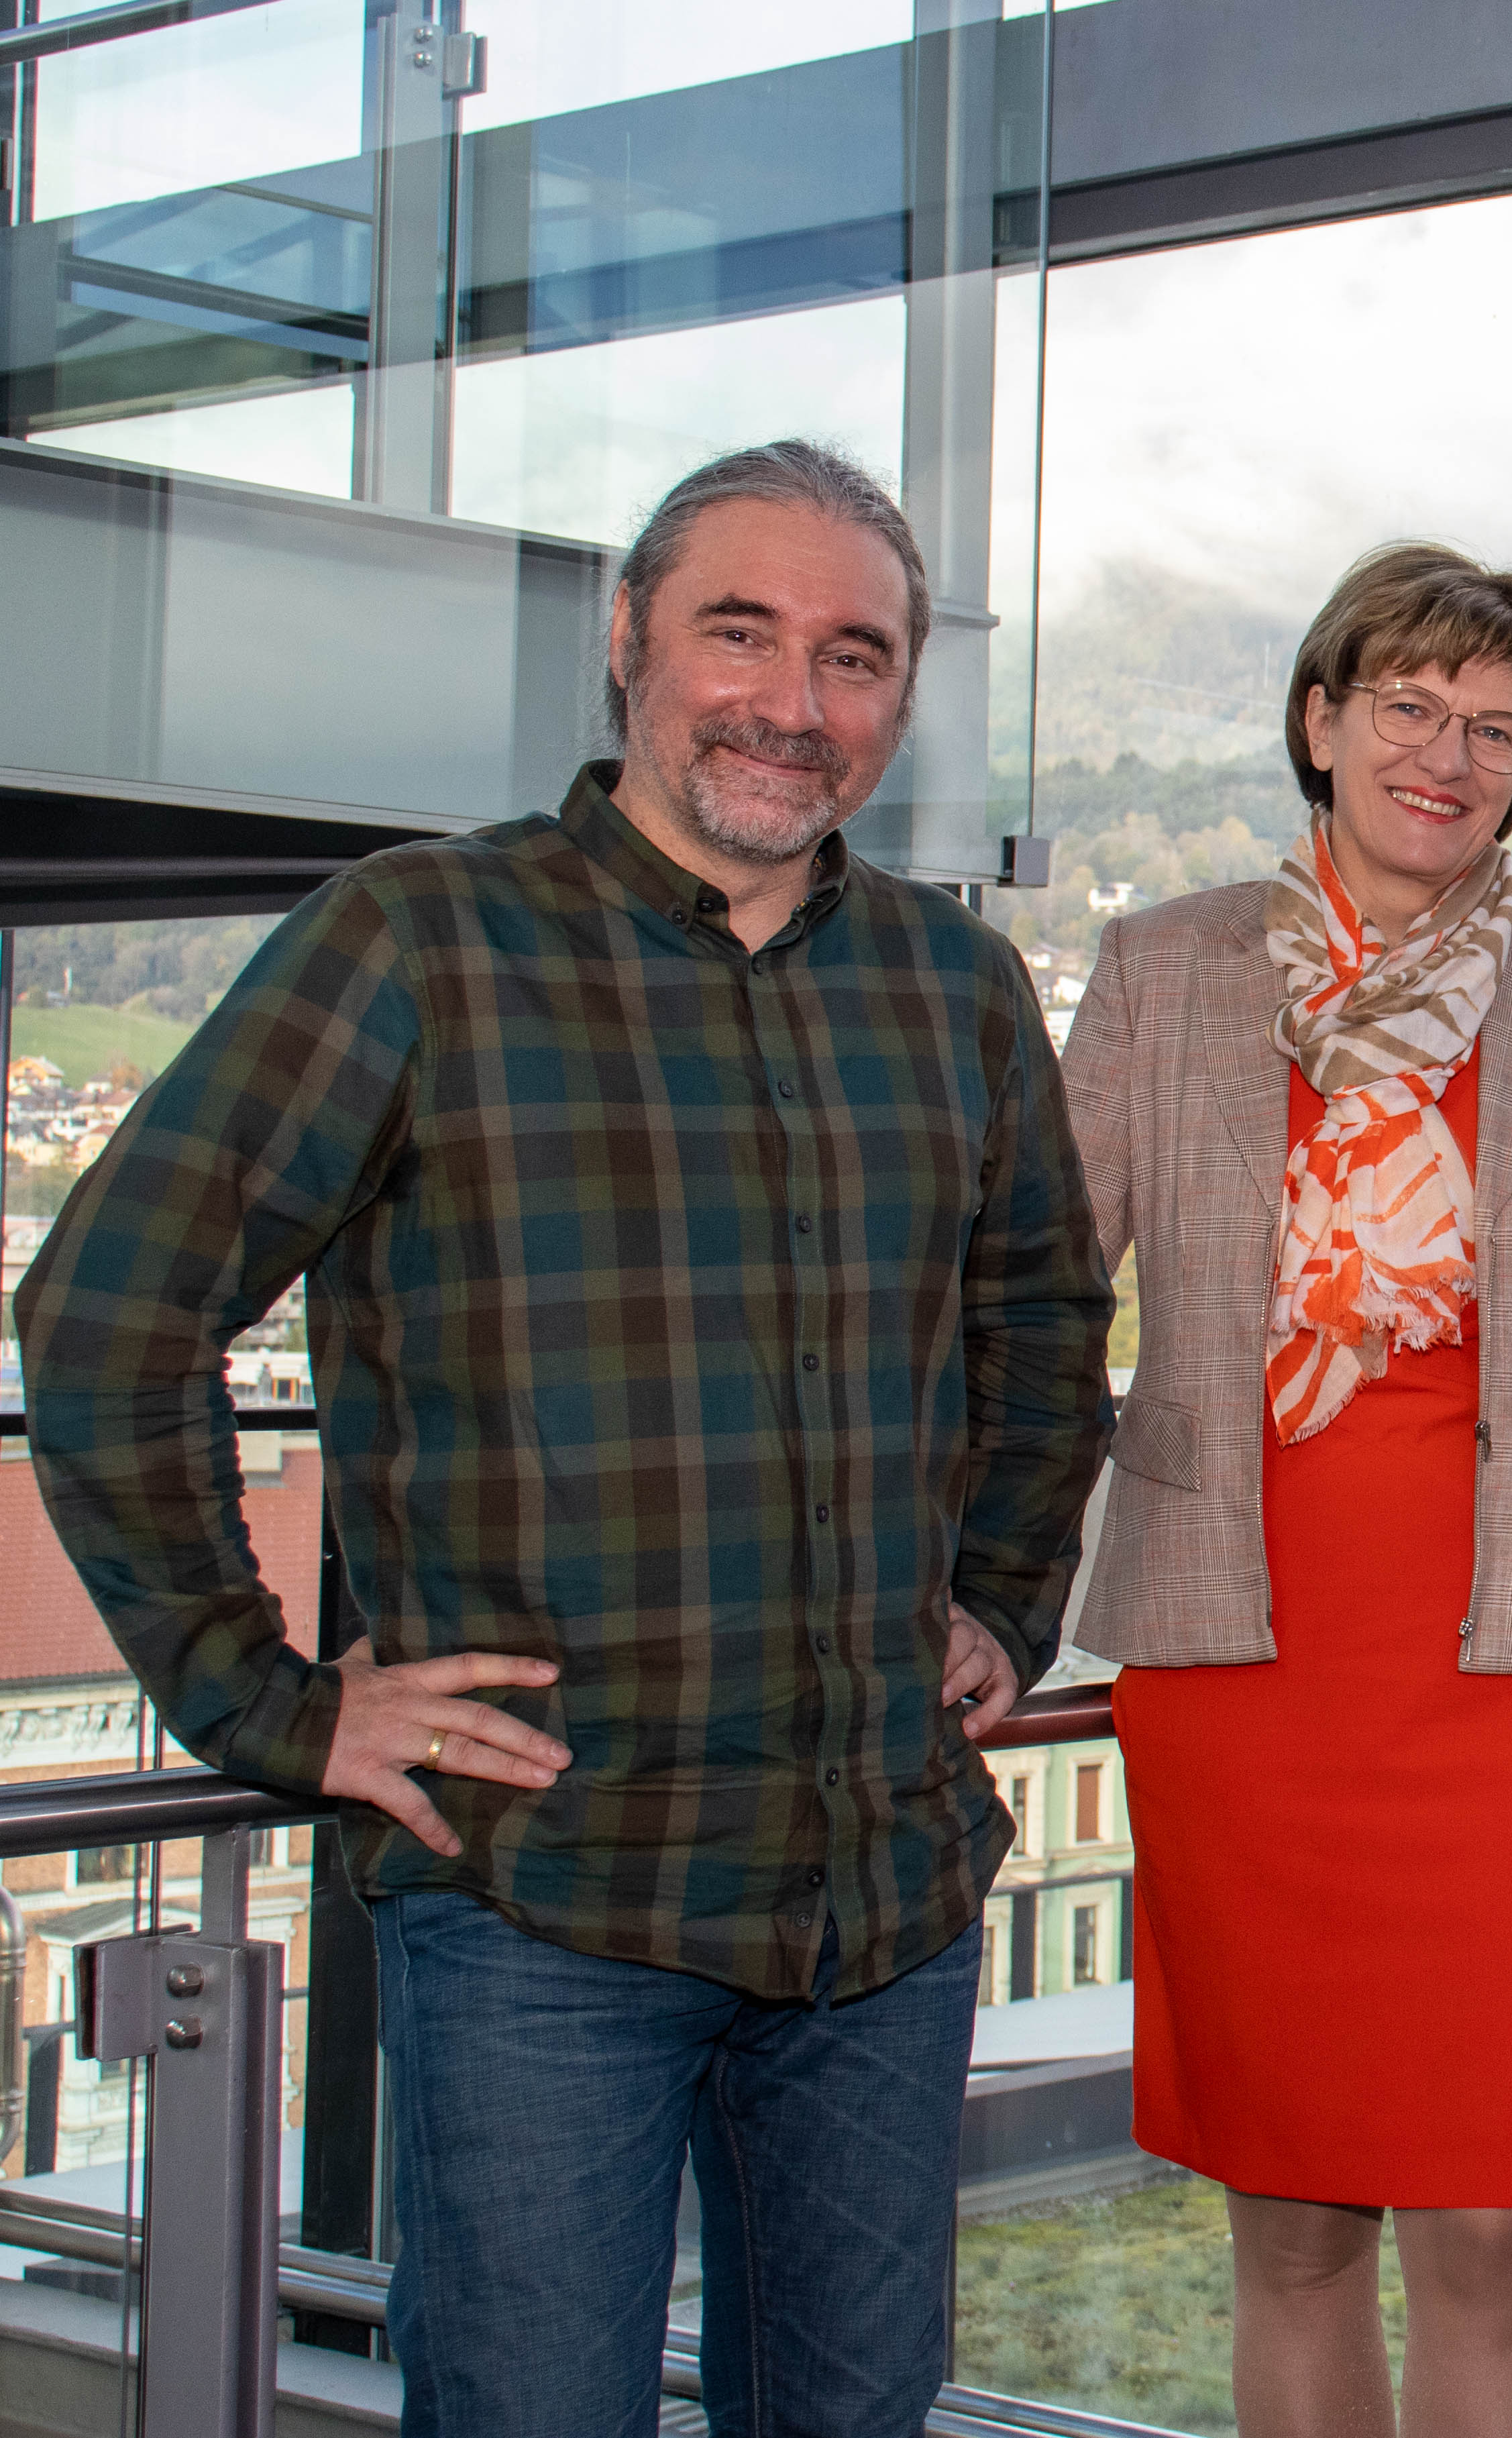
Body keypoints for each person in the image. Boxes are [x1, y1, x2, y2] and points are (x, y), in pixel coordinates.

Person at [13, 440, 1113, 2436]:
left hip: (879, 1901)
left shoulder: (954, 989)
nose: (795, 699)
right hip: (545, 1897)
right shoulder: (420, 941)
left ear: (901, 697)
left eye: (854, 654)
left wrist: (1005, 1597)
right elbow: (106, 1307)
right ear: (628, 645)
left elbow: (1046, 1320)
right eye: (740, 631)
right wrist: (266, 1702)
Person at [1059, 541, 1512, 2438]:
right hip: (1237, 1663)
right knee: (1283, 2222)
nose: (1448, 755)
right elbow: (1024, 1314)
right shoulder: (1164, 968)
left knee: (1493, 2222)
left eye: (1496, 730)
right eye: (1411, 708)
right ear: (1320, 718)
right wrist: (970, 1586)